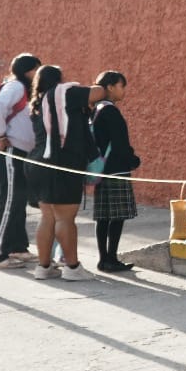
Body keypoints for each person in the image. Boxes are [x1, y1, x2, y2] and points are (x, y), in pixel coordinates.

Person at [28, 65, 109, 282]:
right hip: (62, 163)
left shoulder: (38, 102)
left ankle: (43, 267)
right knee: (65, 218)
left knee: (47, 217)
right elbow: (100, 91)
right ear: (58, 80)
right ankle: (72, 268)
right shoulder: (64, 94)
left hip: (39, 163)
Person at [0, 53, 42, 269]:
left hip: (19, 152)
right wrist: (0, 135)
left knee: (18, 200)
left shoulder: (23, 89)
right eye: (36, 69)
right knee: (9, 201)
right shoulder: (16, 86)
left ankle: (18, 248)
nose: (38, 73)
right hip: (9, 151)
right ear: (27, 71)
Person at [89, 71, 140, 273]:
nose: (123, 90)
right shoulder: (111, 111)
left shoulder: (96, 110)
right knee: (117, 216)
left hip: (101, 169)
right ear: (110, 87)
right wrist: (133, 160)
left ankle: (104, 258)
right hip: (117, 169)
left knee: (103, 216)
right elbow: (120, 144)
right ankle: (111, 258)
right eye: (121, 86)